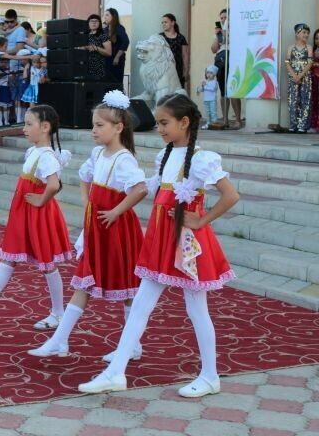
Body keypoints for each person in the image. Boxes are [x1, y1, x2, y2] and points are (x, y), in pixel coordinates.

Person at [78, 94, 240, 398]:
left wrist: (201, 221)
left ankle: (209, 375)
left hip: (187, 244)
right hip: (162, 238)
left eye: (164, 123)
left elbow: (230, 195)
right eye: (158, 122)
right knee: (141, 302)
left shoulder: (203, 158)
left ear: (184, 122)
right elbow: (153, 189)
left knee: (196, 309)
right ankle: (116, 372)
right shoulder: (165, 156)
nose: (159, 128)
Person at [28, 91, 147, 359]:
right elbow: (85, 176)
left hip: (116, 229)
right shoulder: (98, 153)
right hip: (98, 227)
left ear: (119, 127)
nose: (93, 130)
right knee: (85, 281)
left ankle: (133, 345)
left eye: (99, 125)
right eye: (93, 124)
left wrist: (116, 211)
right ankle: (61, 340)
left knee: (126, 285)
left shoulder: (123, 158)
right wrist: (87, 202)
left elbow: (140, 189)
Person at [0, 105, 72, 331]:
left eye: (29, 124)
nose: (24, 128)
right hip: (24, 213)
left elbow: (54, 184)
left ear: (45, 127)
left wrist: (40, 200)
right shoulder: (34, 152)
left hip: (37, 214)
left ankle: (58, 312)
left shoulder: (46, 156)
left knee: (47, 264)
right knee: (9, 258)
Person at [211, 8, 241, 129]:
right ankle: (225, 119)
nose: (223, 20)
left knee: (233, 90)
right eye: (221, 18)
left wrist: (224, 32)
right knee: (223, 91)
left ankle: (238, 119)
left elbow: (236, 42)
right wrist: (217, 36)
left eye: (225, 18)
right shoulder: (219, 33)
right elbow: (213, 49)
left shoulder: (236, 30)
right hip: (220, 60)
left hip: (232, 58)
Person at [286, 23, 313, 133]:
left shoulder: (309, 47)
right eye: (304, 32)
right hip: (293, 77)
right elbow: (287, 62)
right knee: (293, 100)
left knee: (305, 99)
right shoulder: (290, 47)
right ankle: (293, 124)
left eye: (307, 33)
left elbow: (310, 63)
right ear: (297, 34)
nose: (306, 35)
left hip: (305, 77)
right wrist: (294, 75)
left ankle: (303, 125)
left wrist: (300, 75)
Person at [160, 13, 190, 89]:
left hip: (178, 71)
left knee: (178, 94)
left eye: (165, 22)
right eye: (162, 23)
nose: (163, 24)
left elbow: (185, 55)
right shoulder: (160, 37)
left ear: (173, 23)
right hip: (164, 72)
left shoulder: (181, 38)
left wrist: (186, 71)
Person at [103, 8, 129, 84]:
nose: (105, 17)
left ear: (113, 17)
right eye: (104, 15)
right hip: (106, 61)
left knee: (116, 83)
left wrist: (117, 57)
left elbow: (125, 41)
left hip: (116, 61)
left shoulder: (119, 28)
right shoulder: (104, 30)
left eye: (107, 15)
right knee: (106, 84)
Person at [82, 14, 111, 80]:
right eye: (91, 21)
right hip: (84, 68)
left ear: (99, 23)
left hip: (98, 69)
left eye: (96, 21)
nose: (94, 23)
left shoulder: (103, 36)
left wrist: (96, 48)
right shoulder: (84, 35)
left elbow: (109, 52)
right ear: (88, 23)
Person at [197, 65, 219, 129]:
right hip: (206, 100)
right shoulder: (205, 82)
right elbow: (202, 90)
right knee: (207, 112)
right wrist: (200, 87)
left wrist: (205, 86)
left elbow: (212, 89)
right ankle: (208, 123)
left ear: (214, 74)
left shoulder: (215, 82)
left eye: (211, 73)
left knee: (213, 112)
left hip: (212, 100)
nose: (209, 74)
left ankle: (214, 123)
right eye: (207, 73)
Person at [311, 29, 319, 132]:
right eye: (316, 38)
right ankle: (315, 126)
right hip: (314, 79)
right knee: (315, 102)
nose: (318, 40)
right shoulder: (312, 51)